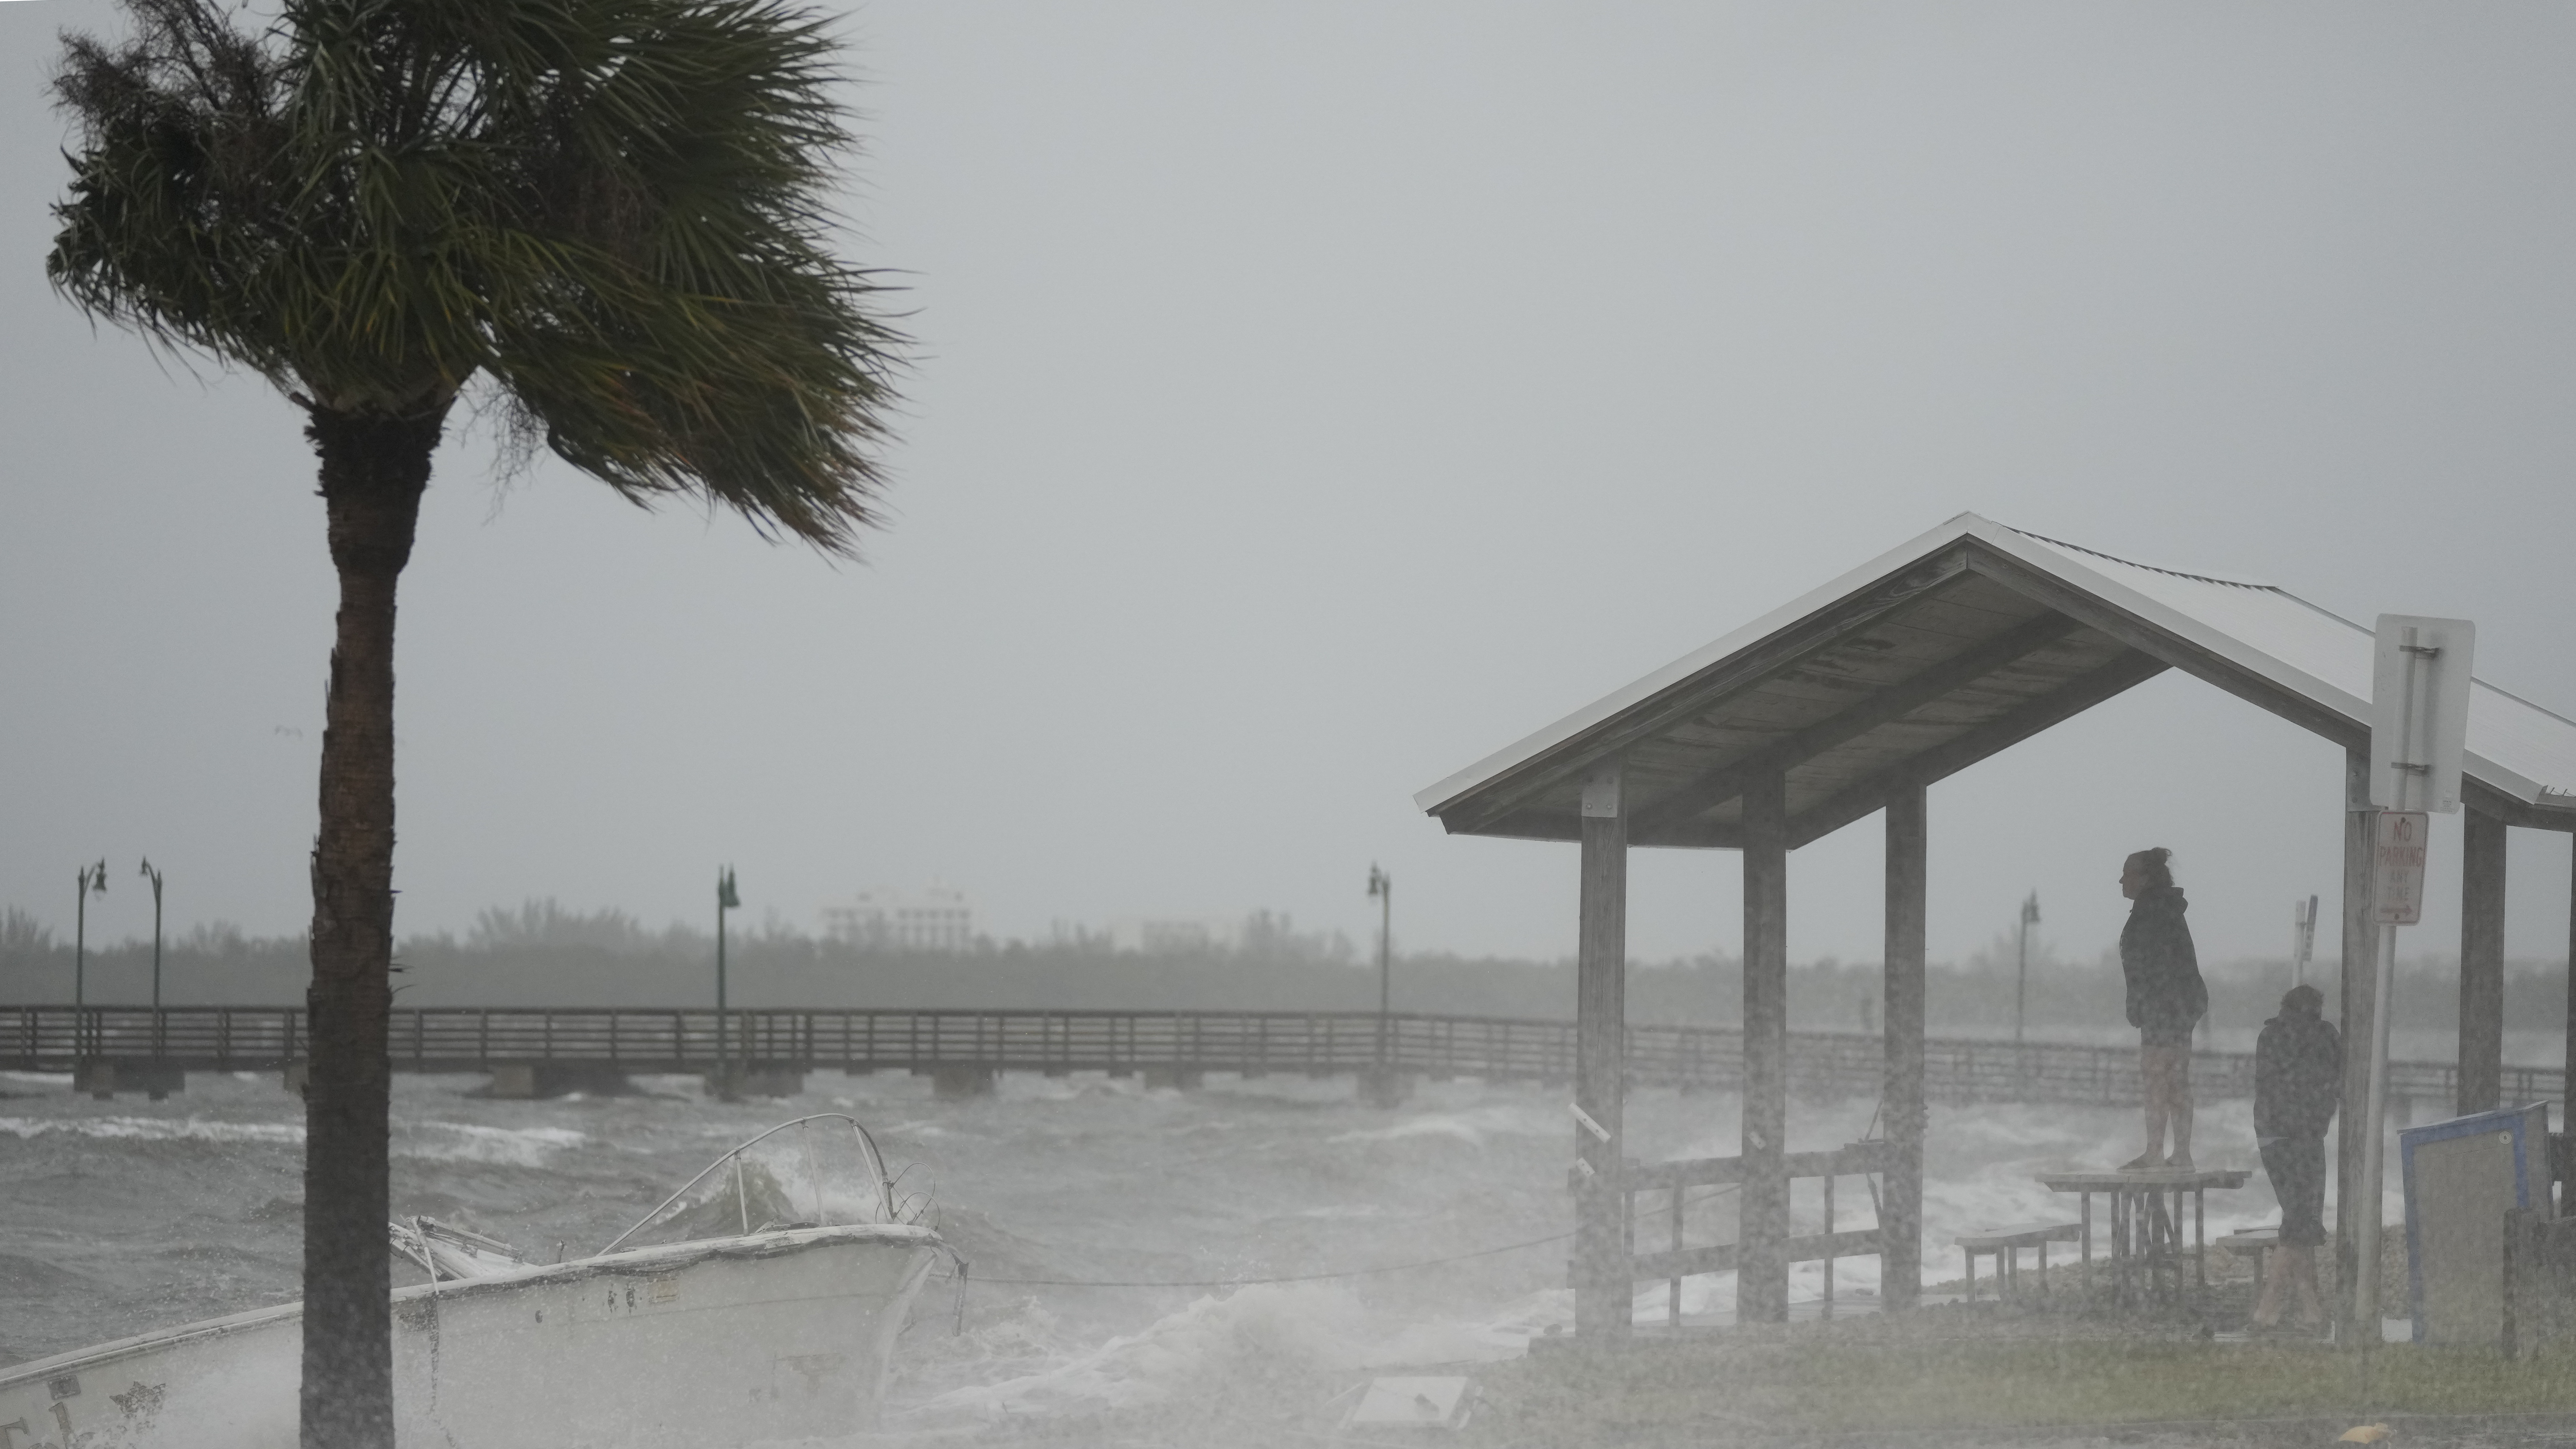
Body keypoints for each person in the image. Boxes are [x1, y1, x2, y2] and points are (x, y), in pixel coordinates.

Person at [2252, 983, 2341, 1329]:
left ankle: (2310, 1310)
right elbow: (2339, 1075)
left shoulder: (2269, 1036)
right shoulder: (2324, 1036)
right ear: (2317, 1008)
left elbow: (2269, 1085)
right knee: (2300, 1221)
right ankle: (2267, 1309)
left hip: (2271, 1138)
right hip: (2304, 1137)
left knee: (2298, 1218)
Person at [2119, 847, 2207, 1169]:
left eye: (2127, 873)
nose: (2120, 880)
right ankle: (2177, 1152)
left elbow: (2154, 966)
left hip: (2165, 1007)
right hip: (2176, 1005)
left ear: (2144, 878)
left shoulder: (2152, 912)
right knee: (2173, 1078)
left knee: (2159, 1078)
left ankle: (2160, 1151)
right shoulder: (2162, 908)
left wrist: (2142, 1004)